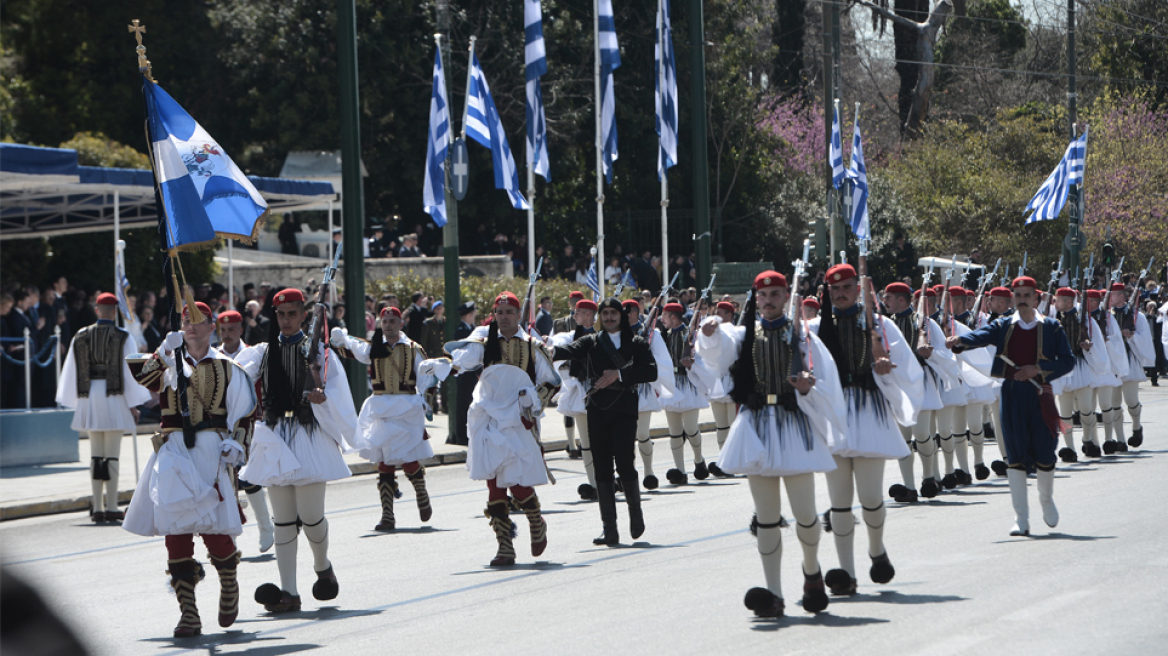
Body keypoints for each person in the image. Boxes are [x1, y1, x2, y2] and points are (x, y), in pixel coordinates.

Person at [122, 301, 256, 638]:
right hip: (174, 451)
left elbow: (244, 412)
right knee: (176, 531)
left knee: (214, 529)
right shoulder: (169, 362)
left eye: (198, 322)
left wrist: (237, 443)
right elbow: (144, 381)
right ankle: (189, 613)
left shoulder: (228, 367)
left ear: (212, 326)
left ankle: (229, 580)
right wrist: (163, 351)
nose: (191, 327)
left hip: (211, 448)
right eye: (185, 321)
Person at [721, 272, 841, 618]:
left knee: (805, 514)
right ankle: (773, 593)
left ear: (787, 294)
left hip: (793, 424)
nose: (770, 300)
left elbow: (826, 379)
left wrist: (807, 387)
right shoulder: (744, 335)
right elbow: (715, 359)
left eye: (776, 294)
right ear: (756, 298)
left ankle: (811, 571)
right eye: (764, 295)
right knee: (767, 517)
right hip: (757, 424)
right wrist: (711, 333)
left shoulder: (803, 335)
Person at [235, 289, 361, 613]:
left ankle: (323, 567)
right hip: (276, 437)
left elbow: (338, 392)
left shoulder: (319, 351)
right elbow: (232, 376)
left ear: (304, 315)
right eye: (281, 314)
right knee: (283, 520)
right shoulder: (262, 352)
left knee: (310, 515)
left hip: (309, 435)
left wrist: (323, 397)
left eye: (292, 314)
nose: (286, 320)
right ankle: (288, 592)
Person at [811, 263, 922, 596]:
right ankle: (846, 572)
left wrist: (885, 368)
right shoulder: (816, 328)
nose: (841, 294)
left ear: (858, 290)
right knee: (839, 501)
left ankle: (876, 550)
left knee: (871, 497)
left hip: (868, 411)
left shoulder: (881, 325)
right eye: (835, 289)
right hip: (834, 414)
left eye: (847, 288)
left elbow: (909, 371)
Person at [947, 276, 1074, 537]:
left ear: (1037, 298)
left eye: (1027, 295)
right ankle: (1021, 518)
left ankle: (1046, 500)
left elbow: (1068, 361)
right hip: (1013, 395)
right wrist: (960, 342)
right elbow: (982, 335)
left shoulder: (1052, 327)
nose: (1022, 300)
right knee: (1014, 455)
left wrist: (1037, 369)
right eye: (1018, 296)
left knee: (1046, 451)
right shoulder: (1004, 325)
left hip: (1041, 394)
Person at [444, 292, 560, 566]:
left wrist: (534, 402)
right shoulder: (484, 343)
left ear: (518, 315)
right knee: (493, 483)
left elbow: (552, 381)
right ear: (494, 315)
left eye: (510, 312)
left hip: (518, 420)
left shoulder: (532, 345)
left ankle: (535, 519)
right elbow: (463, 360)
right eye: (500, 312)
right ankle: (504, 546)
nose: (504, 317)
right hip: (489, 420)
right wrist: (446, 367)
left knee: (518, 483)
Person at [333, 307, 449, 532]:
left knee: (408, 458)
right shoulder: (374, 346)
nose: (388, 325)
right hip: (381, 409)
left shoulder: (413, 349)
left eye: (392, 321)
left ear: (401, 324)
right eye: (384, 321)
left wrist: (427, 400)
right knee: (384, 462)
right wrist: (340, 339)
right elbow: (351, 350)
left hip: (406, 408)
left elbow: (427, 375)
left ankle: (420, 491)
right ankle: (387, 515)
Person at [552, 297, 657, 545]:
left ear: (622, 315)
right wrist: (543, 349)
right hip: (598, 408)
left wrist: (618, 374)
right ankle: (609, 528)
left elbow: (651, 372)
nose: (609, 317)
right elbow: (569, 350)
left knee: (624, 463)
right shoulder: (592, 341)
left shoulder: (638, 343)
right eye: (605, 313)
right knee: (601, 468)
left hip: (624, 409)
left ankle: (635, 513)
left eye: (613, 313)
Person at [55, 293, 151, 523]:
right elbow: (129, 373)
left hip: (89, 397)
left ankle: (97, 506)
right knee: (112, 455)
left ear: (97, 310)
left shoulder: (80, 335)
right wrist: (134, 404)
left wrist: (75, 399)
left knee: (96, 455)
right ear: (115, 311)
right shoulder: (123, 336)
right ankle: (111, 505)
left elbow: (71, 371)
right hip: (114, 396)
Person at [883, 284, 960, 503]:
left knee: (923, 434)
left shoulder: (926, 322)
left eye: (888, 298)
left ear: (901, 300)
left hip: (920, 382)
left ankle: (928, 479)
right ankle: (909, 487)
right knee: (903, 438)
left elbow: (944, 354)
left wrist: (929, 354)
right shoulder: (886, 324)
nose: (885, 301)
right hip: (897, 384)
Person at [214, 309, 276, 554]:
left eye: (232, 330)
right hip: (220, 425)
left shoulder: (254, 353)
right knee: (225, 481)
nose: (227, 335)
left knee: (247, 477)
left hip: (249, 423)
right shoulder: (213, 356)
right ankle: (231, 538)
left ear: (241, 330)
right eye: (223, 330)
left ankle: (265, 527)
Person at [1050, 288, 1110, 461]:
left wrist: (1089, 347)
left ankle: (1088, 440)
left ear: (1068, 302)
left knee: (1085, 409)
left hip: (1081, 366)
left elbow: (1097, 342)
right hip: (1063, 367)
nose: (1056, 303)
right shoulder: (1054, 320)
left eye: (1059, 300)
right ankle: (1069, 448)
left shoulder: (1085, 319)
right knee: (1065, 411)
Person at [659, 302, 715, 484]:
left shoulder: (691, 336)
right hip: (672, 384)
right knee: (674, 431)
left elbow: (702, 359)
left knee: (691, 428)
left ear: (673, 317)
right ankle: (680, 471)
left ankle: (699, 461)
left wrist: (692, 363)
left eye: (665, 315)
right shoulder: (665, 336)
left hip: (688, 383)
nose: (662, 319)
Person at [624, 299, 676, 490]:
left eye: (628, 311)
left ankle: (648, 472)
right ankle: (628, 474)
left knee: (642, 433)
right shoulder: (615, 333)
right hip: (621, 390)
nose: (624, 315)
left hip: (642, 390)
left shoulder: (652, 334)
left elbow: (662, 361)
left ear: (636, 313)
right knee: (624, 437)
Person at [550, 299, 600, 499]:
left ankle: (608, 477)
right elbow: (560, 342)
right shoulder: (571, 336)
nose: (574, 316)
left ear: (588, 315)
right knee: (586, 441)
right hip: (581, 392)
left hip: (603, 390)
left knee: (605, 440)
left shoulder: (603, 335)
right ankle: (594, 483)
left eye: (578, 313)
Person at [695, 301, 745, 477]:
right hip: (717, 384)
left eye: (721, 313)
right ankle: (724, 460)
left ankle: (738, 460)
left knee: (734, 426)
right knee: (721, 426)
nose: (716, 315)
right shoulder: (710, 336)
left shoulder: (737, 333)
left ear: (729, 316)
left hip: (732, 382)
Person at [1106, 282, 1155, 448]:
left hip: (1129, 360)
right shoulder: (1107, 315)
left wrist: (1131, 335)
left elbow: (1145, 338)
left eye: (1112, 295)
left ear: (1121, 296)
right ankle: (1120, 440)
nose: (1109, 298)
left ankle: (1136, 427)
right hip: (1113, 363)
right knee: (1114, 404)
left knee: (1131, 400)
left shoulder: (1136, 315)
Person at [553, 291, 585, 458]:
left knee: (575, 407)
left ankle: (576, 443)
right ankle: (573, 444)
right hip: (567, 367)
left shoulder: (585, 321)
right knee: (570, 407)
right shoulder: (560, 323)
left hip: (574, 367)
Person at [448, 301, 478, 446]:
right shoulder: (461, 331)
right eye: (473, 314)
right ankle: (461, 436)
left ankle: (470, 433)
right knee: (463, 404)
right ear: (468, 315)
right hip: (465, 373)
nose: (475, 316)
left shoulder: (473, 329)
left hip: (474, 373)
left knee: (472, 404)